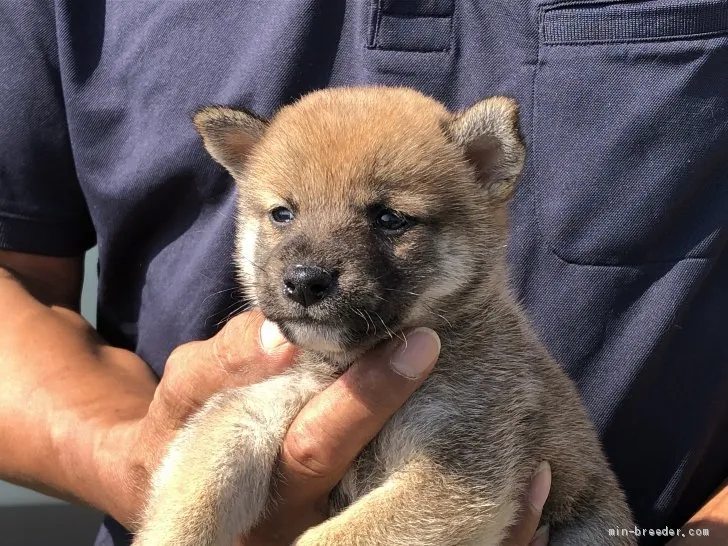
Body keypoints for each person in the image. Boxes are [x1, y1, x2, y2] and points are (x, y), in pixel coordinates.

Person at [0, 1, 726, 545]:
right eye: (281, 215)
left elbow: (454, 498)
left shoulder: (475, 361)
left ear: (485, 171)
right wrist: (123, 458)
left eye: (389, 220)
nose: (310, 266)